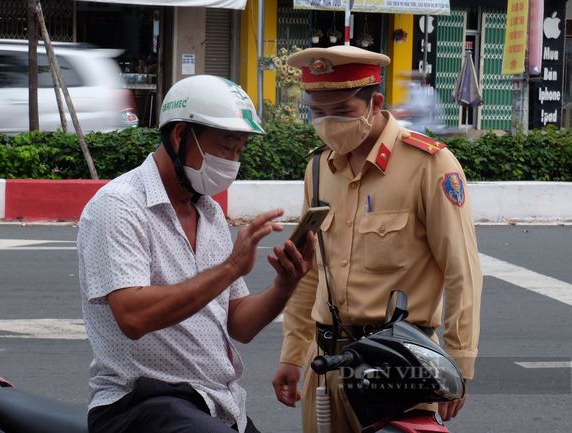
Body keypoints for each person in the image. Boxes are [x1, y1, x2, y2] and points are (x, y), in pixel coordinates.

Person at [77, 74, 316, 433]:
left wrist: (284, 286)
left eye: (239, 152)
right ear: (179, 136)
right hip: (140, 403)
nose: (232, 162)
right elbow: (133, 316)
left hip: (215, 402)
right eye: (225, 147)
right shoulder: (119, 205)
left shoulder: (209, 212)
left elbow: (239, 323)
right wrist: (232, 267)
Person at [271, 45, 483, 433]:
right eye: (317, 113)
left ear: (375, 103)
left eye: (341, 111)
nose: (328, 122)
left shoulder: (429, 165)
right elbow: (310, 272)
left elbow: (462, 272)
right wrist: (292, 353)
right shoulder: (318, 168)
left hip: (399, 368)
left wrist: (456, 363)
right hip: (325, 369)